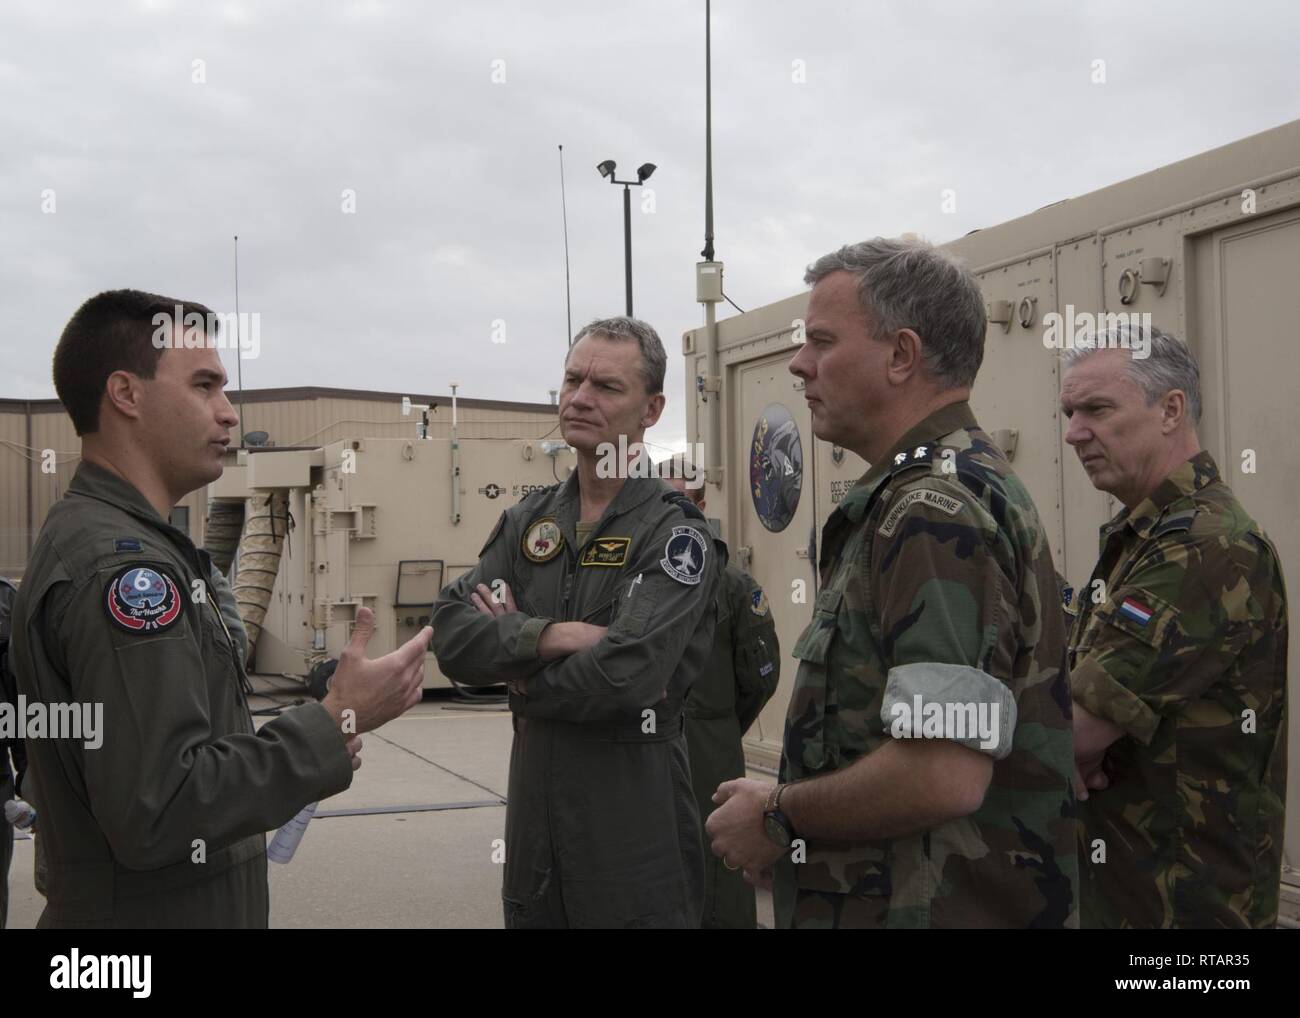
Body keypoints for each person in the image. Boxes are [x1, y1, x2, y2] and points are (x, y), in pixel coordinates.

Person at [9, 289, 430, 928]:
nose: (228, 414)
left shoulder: (129, 544)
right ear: (126, 394)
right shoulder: (125, 571)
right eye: (205, 386)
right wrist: (334, 721)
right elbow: (159, 809)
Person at [706, 237, 1078, 928]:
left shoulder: (932, 511)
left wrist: (779, 814)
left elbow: (942, 772)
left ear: (901, 355)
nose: (798, 363)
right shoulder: (930, 492)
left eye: (821, 340)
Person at [432, 316, 723, 928]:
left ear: (652, 409)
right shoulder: (526, 522)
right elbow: (454, 633)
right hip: (536, 838)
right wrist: (551, 636)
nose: (580, 398)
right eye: (572, 380)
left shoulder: (674, 534)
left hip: (632, 842)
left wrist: (518, 673)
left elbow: (630, 675)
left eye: (607, 387)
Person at [1060, 327, 1288, 928]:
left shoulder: (1204, 545)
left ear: (1171, 409)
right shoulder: (1150, 534)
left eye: (1097, 409)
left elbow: (1073, 730)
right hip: (1136, 896)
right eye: (1069, 412)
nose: (1073, 431)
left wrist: (1073, 741)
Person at [662, 464, 780, 929]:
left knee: (717, 858)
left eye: (683, 500)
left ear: (701, 506)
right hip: (645, 751)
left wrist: (718, 724)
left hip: (708, 751)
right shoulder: (631, 582)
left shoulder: (732, 585)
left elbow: (760, 679)